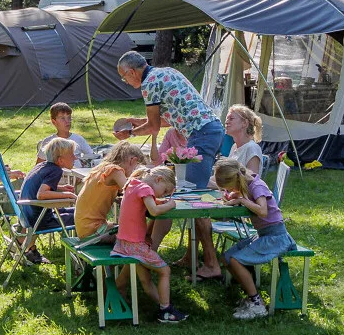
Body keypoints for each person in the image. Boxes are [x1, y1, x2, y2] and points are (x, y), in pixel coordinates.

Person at [115, 49, 225, 279]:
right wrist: (138, 122)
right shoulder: (165, 73)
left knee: (195, 201)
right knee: (191, 194)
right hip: (209, 130)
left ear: (132, 72)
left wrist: (130, 133)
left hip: (202, 135)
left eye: (124, 77)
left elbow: (153, 127)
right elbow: (171, 118)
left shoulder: (149, 83)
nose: (125, 81)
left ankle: (212, 264)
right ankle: (191, 256)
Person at [213, 156, 298, 320]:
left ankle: (257, 303)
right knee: (227, 258)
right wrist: (234, 197)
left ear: (236, 178)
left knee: (236, 260)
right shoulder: (247, 184)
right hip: (263, 234)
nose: (229, 190)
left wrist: (242, 200)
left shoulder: (257, 186)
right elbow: (243, 198)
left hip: (275, 236)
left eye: (229, 187)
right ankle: (250, 295)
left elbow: (263, 211)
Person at [111, 165, 187, 323]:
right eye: (165, 190)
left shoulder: (133, 184)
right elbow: (153, 211)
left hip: (123, 244)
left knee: (146, 278)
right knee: (165, 271)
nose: (164, 194)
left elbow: (147, 201)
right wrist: (170, 204)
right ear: (158, 179)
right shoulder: (145, 188)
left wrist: (160, 200)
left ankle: (165, 306)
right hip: (135, 246)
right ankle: (165, 310)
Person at [74, 141, 149, 244]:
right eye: (135, 168)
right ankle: (140, 257)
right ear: (132, 160)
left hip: (85, 228)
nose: (133, 172)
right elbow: (132, 192)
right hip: (92, 231)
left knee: (120, 228)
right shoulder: (115, 171)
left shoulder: (103, 167)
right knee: (134, 236)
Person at [17, 136, 78, 262]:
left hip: (28, 215)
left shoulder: (42, 165)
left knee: (78, 210)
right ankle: (81, 254)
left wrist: (60, 188)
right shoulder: (56, 171)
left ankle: (27, 248)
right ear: (60, 160)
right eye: (72, 155)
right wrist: (67, 195)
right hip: (41, 220)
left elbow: (39, 185)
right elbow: (41, 194)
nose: (75, 158)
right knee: (82, 216)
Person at [38, 102, 96, 166]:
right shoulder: (48, 142)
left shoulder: (78, 139)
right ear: (54, 122)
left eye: (69, 117)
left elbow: (92, 157)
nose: (67, 121)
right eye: (62, 118)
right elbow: (39, 166)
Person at [223, 104, 265, 178]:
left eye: (231, 118)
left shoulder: (252, 148)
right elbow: (224, 176)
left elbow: (251, 182)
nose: (226, 122)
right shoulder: (235, 147)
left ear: (244, 123)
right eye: (227, 118)